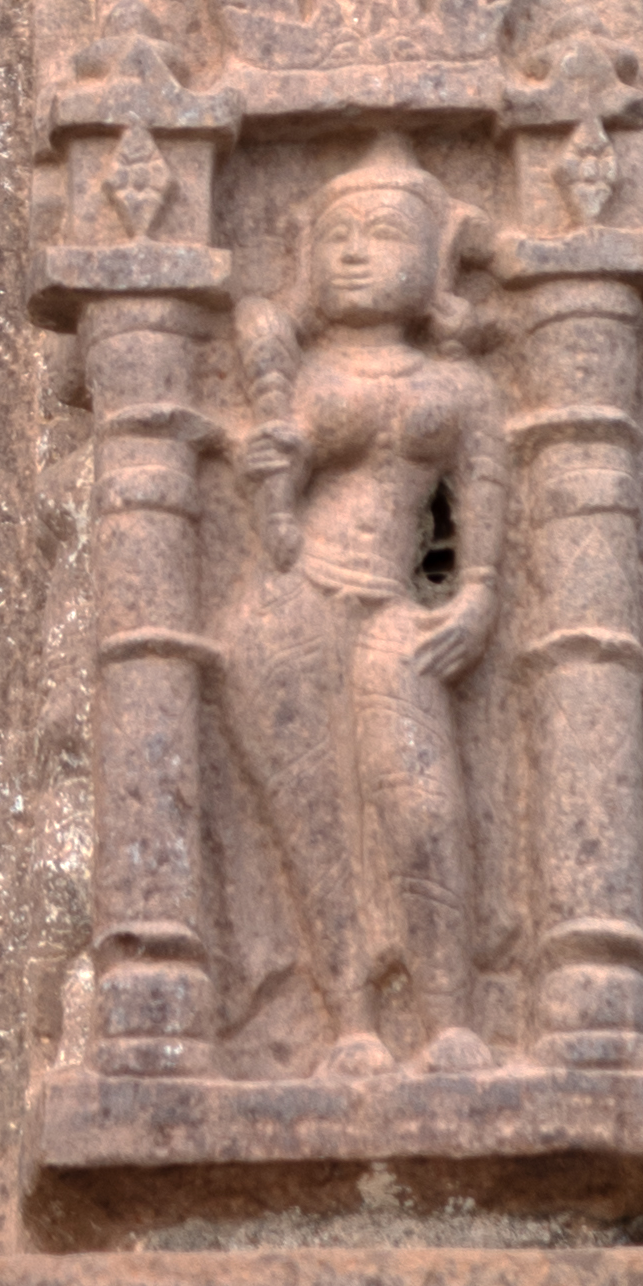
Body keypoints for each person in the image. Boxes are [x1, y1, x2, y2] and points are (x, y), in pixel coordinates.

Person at [211, 145, 511, 1078]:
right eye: (335, 237)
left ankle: (449, 1017)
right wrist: (268, 472)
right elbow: (277, 514)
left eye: (381, 235)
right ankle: (348, 1022)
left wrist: (476, 593)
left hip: (397, 608)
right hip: (291, 610)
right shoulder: (296, 378)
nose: (353, 253)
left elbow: (481, 492)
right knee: (316, 824)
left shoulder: (459, 388)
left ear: (431, 260)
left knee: (418, 803)